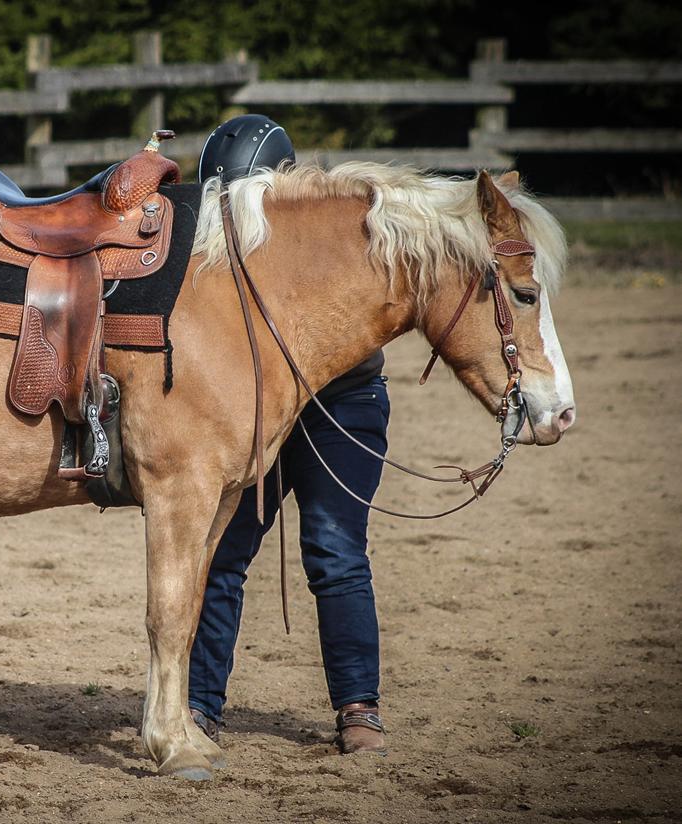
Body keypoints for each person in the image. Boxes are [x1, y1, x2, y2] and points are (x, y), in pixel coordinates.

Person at [188, 115, 390, 754]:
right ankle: (196, 703)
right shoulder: (218, 248)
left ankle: (359, 707)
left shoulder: (330, 238)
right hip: (251, 405)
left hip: (341, 402)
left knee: (335, 554)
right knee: (221, 553)